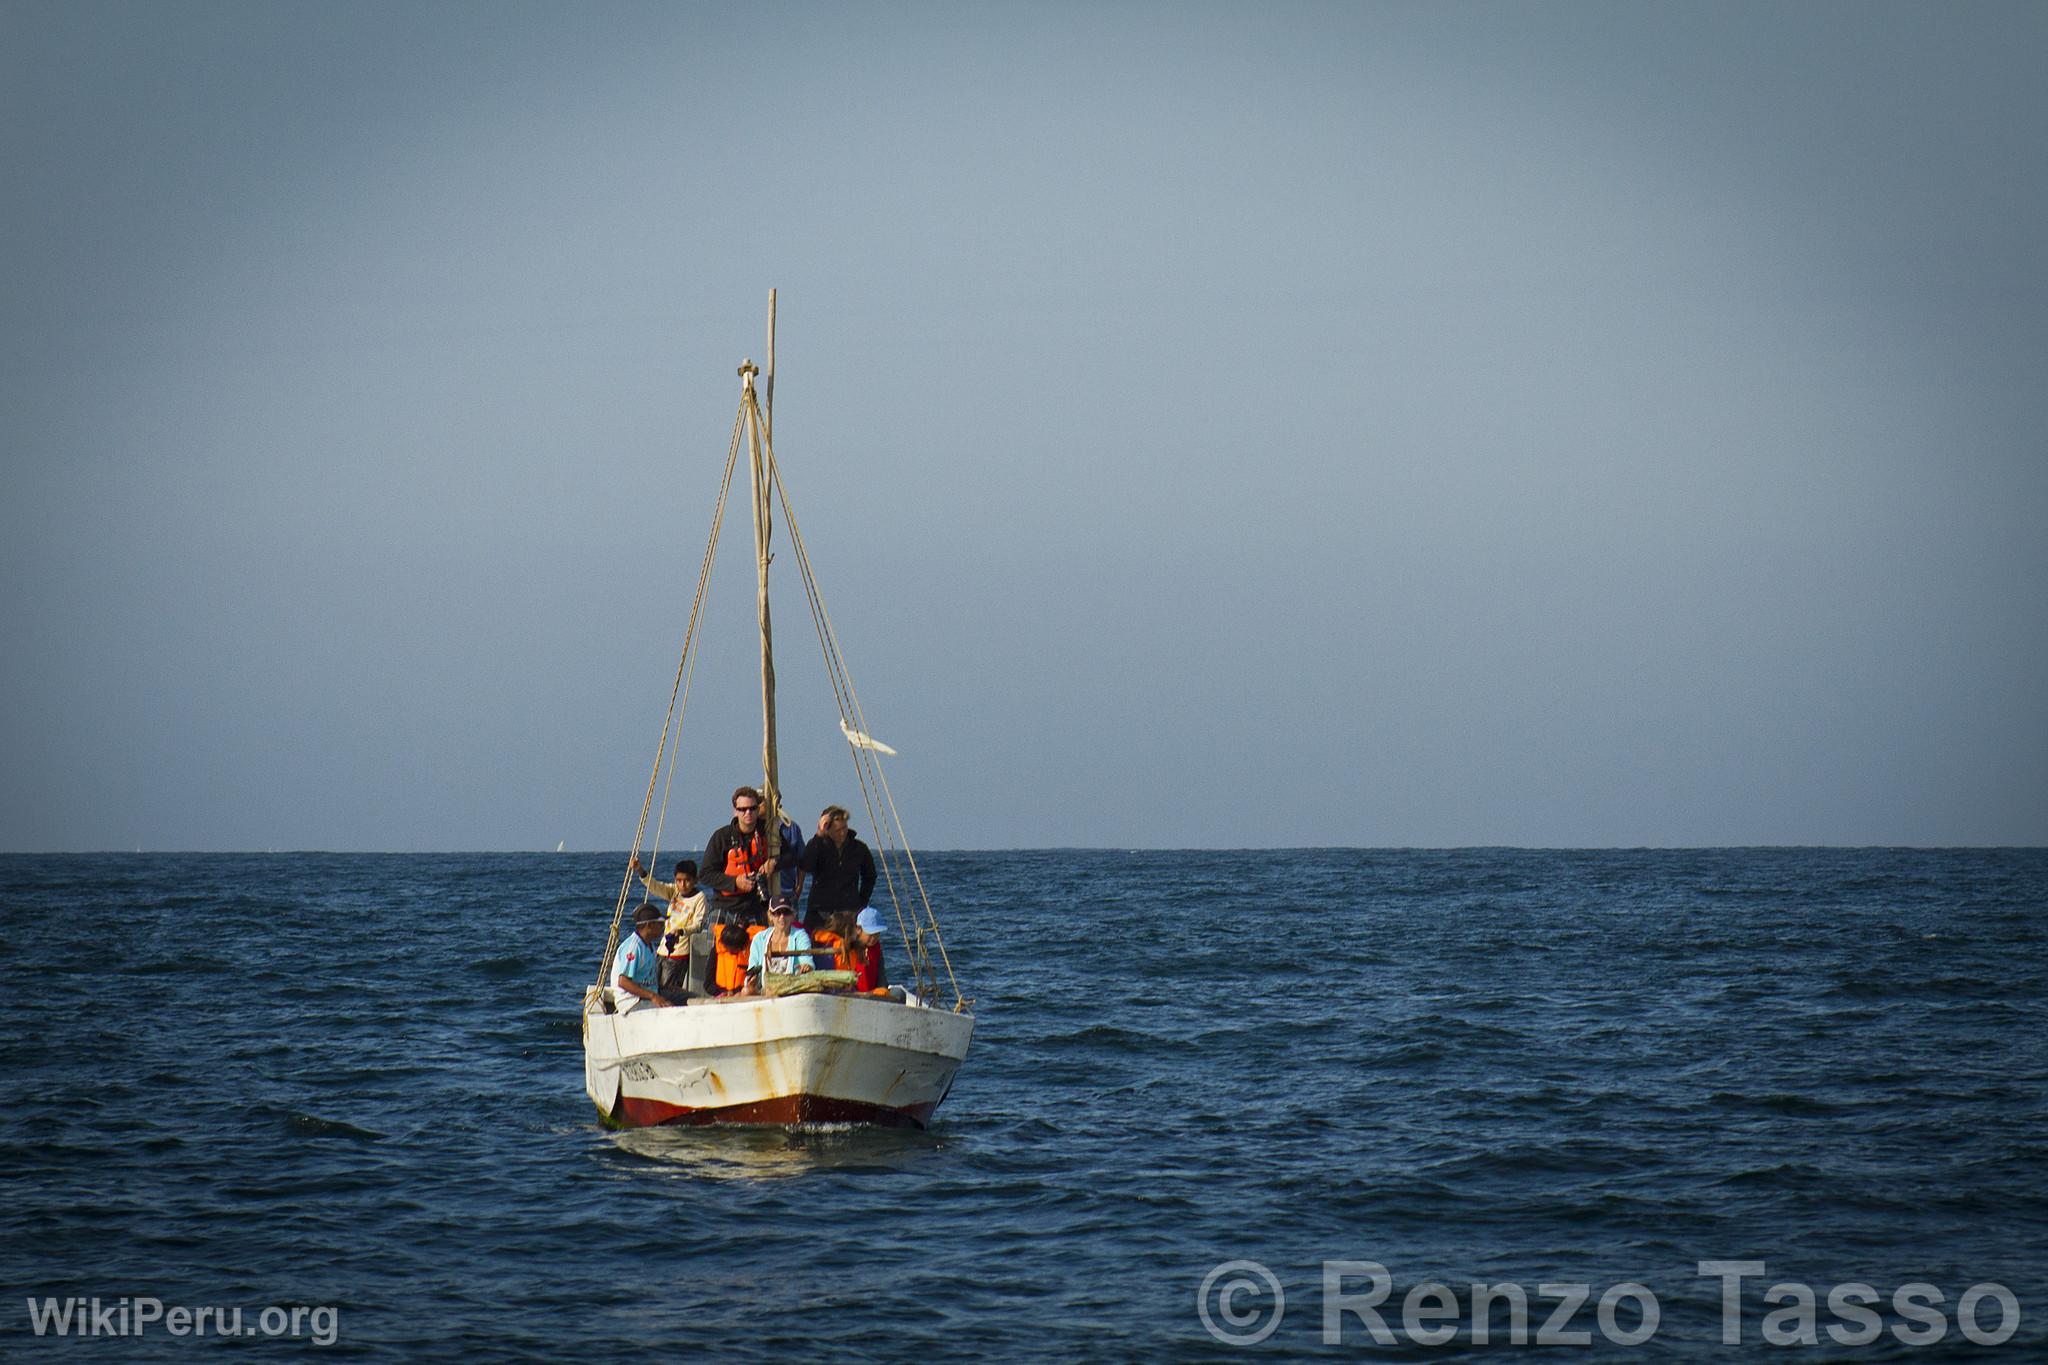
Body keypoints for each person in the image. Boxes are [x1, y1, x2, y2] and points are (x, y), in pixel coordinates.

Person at [701, 786, 779, 928]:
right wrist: (735, 882)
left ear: (757, 809)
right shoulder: (721, 837)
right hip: (724, 907)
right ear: (735, 811)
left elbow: (791, 857)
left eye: (752, 808)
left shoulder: (769, 832)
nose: (747, 813)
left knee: (759, 949)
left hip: (755, 907)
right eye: (742, 809)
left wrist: (774, 862)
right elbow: (705, 874)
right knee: (717, 949)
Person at [631, 857, 709, 997]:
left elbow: (698, 924)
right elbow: (655, 886)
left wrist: (682, 931)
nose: (683, 885)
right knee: (653, 985)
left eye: (687, 881)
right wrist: (640, 870)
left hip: (679, 953)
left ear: (695, 880)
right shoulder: (674, 892)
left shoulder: (699, 898)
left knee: (669, 989)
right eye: (678, 881)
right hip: (663, 949)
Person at [797, 804, 877, 934]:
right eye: (837, 830)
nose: (842, 833)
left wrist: (861, 902)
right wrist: (819, 835)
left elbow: (870, 876)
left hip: (848, 914)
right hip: (819, 913)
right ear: (828, 829)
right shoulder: (818, 846)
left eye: (844, 828)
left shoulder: (858, 848)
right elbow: (806, 865)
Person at [610, 902, 675, 1013]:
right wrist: (653, 996)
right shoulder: (633, 947)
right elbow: (623, 981)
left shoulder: (649, 945)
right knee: (670, 1010)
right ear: (649, 926)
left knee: (685, 997)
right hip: (632, 1001)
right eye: (660, 924)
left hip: (648, 995)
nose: (663, 927)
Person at [743, 897, 812, 995]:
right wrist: (751, 980)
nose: (782, 917)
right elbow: (752, 969)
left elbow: (807, 961)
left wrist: (806, 967)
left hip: (791, 989)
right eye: (777, 913)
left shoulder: (801, 936)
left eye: (786, 912)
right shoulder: (759, 939)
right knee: (746, 991)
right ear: (770, 916)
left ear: (792, 915)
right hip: (765, 991)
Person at [851, 905, 889, 992]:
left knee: (898, 993)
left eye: (877, 934)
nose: (873, 938)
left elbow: (881, 975)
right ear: (858, 929)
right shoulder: (850, 948)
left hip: (873, 994)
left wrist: (882, 990)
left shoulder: (876, 948)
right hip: (854, 995)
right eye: (870, 934)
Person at [775, 811, 806, 906]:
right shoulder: (754, 828)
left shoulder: (792, 828)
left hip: (788, 893)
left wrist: (799, 887)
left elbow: (802, 859)